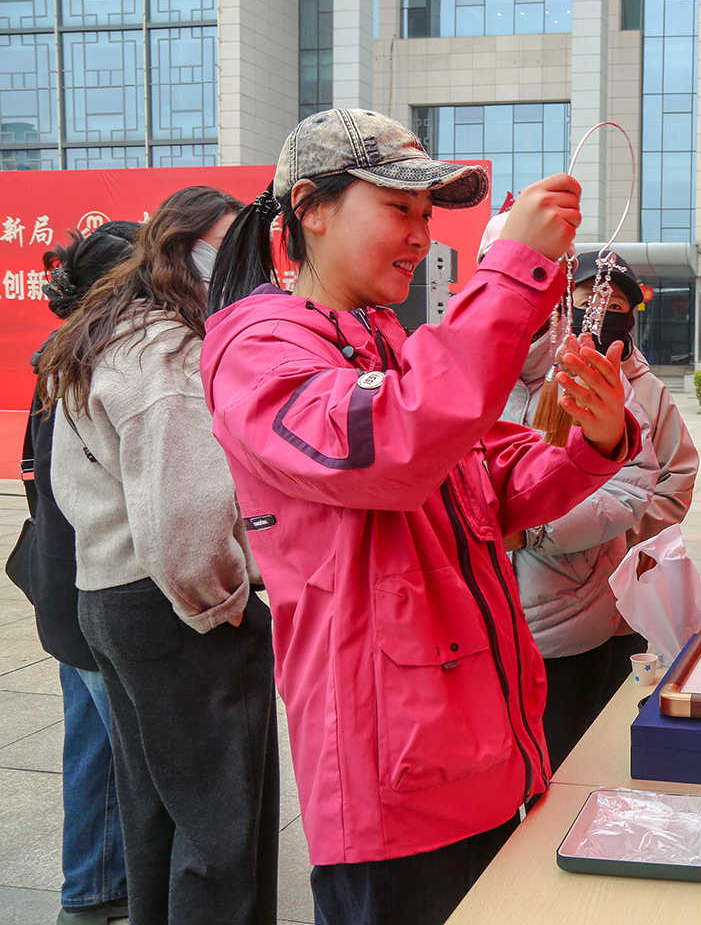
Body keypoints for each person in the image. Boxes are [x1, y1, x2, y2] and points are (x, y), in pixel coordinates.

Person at [200, 108, 639, 925]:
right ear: (312, 208)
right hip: (394, 790)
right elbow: (395, 445)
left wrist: (595, 441)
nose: (420, 235)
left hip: (478, 758)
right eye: (399, 208)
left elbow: (488, 485)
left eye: (427, 214)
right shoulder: (260, 353)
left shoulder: (386, 343)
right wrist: (513, 272)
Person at [36, 187, 278, 925]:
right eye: (225, 249)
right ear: (177, 249)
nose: (239, 266)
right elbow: (188, 515)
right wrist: (223, 605)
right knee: (221, 827)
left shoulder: (105, 334)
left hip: (113, 594)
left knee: (157, 814)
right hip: (174, 607)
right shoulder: (166, 349)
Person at [499, 248, 665, 766]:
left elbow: (636, 487)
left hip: (569, 620)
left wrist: (535, 531)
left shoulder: (594, 376)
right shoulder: (453, 375)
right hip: (473, 631)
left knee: (564, 770)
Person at [19, 221, 138, 925]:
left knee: (93, 747)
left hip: (64, 589)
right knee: (134, 755)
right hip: (101, 590)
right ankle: (108, 890)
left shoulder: (60, 359)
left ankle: (91, 891)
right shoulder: (105, 367)